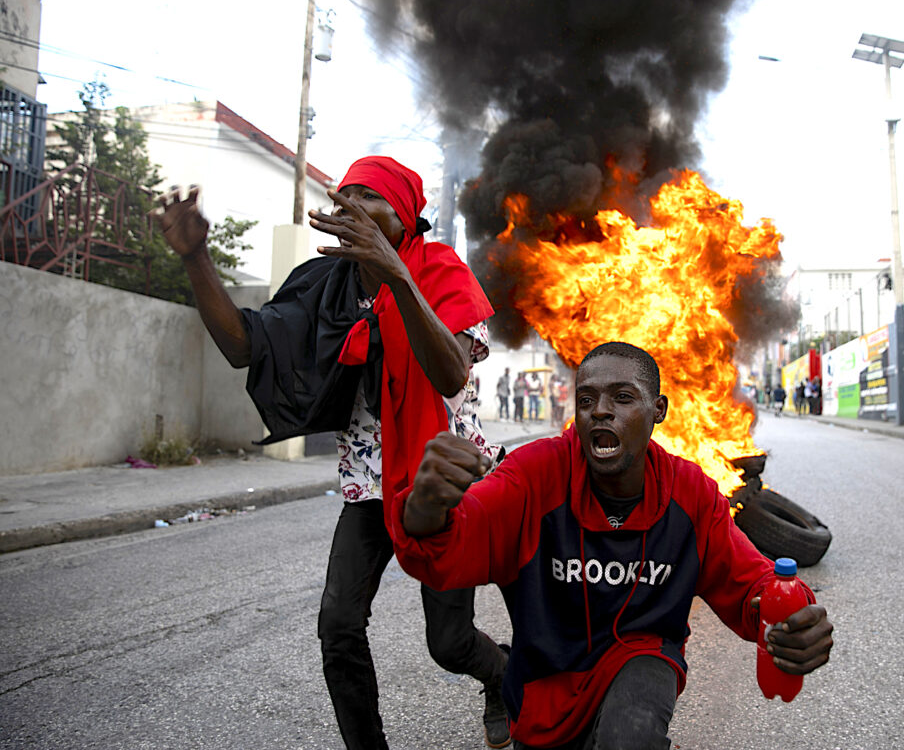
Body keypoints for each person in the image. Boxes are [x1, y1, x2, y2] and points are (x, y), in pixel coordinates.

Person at [150, 156, 512, 750]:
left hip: (440, 484)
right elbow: (245, 347)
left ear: (405, 218)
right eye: (343, 196)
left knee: (448, 644)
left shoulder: (439, 270)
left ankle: (502, 675)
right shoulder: (325, 284)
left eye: (368, 198)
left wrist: (397, 275)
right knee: (338, 627)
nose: (349, 207)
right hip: (370, 485)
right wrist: (196, 260)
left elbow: (449, 373)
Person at [392, 341, 833, 749]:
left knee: (631, 736)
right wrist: (426, 509)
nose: (600, 411)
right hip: (546, 688)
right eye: (587, 400)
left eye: (623, 397)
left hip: (643, 657)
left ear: (658, 410)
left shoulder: (690, 492)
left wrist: (795, 618)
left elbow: (749, 580)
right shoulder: (535, 475)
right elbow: (453, 541)